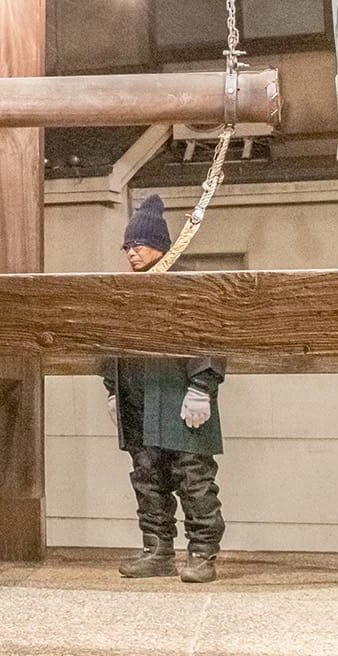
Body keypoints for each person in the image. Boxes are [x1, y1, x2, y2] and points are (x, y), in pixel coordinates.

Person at [102, 193, 227, 584]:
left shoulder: (189, 287)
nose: (131, 253)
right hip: (138, 398)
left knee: (194, 479)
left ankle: (202, 554)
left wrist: (202, 386)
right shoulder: (127, 295)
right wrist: (112, 388)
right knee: (148, 477)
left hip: (179, 394)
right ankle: (156, 549)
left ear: (159, 245)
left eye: (137, 245)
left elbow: (208, 336)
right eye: (126, 247)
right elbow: (111, 343)